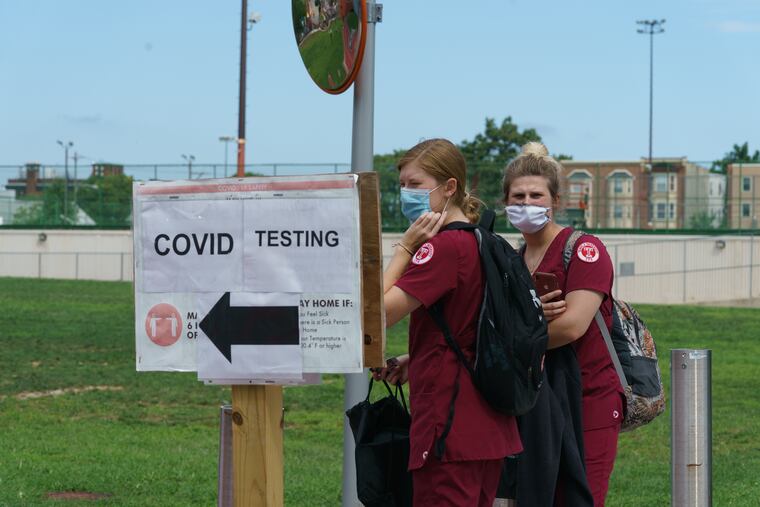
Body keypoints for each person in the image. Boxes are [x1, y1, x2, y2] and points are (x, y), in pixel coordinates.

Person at [373, 138, 522, 507]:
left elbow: (375, 315)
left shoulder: (441, 249)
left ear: (450, 187)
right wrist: (418, 358)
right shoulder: (484, 240)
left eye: (416, 185)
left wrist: (405, 249)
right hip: (487, 421)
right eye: (402, 185)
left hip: (450, 424)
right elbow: (470, 323)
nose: (405, 194)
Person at [502, 142, 624, 506]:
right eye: (517, 195)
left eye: (536, 195)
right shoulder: (514, 258)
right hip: (537, 403)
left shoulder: (584, 250)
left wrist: (513, 340)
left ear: (555, 199)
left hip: (589, 400)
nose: (526, 203)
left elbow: (571, 326)